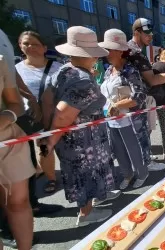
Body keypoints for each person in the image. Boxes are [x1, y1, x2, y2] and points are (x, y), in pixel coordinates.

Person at [41, 26, 119, 227]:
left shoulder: (65, 70)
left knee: (80, 174)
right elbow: (62, 115)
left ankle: (89, 206)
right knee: (84, 175)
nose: (96, 58)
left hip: (73, 140)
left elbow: (48, 100)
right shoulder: (82, 80)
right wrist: (47, 144)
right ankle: (86, 214)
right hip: (83, 143)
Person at [129, 18, 165, 167]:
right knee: (143, 134)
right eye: (146, 33)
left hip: (141, 100)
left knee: (142, 134)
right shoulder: (135, 52)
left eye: (151, 33)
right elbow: (153, 80)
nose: (150, 36)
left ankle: (143, 161)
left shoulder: (134, 50)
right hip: (137, 101)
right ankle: (145, 164)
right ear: (136, 32)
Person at [99, 29, 150, 190]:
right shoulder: (108, 70)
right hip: (111, 120)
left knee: (134, 149)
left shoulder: (130, 70)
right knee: (119, 150)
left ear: (120, 51)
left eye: (109, 49)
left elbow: (140, 95)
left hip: (128, 119)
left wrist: (118, 105)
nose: (106, 53)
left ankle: (142, 174)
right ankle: (127, 175)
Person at [0, 28, 35, 250]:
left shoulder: (1, 61)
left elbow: (15, 104)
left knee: (19, 201)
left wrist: (4, 119)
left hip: (7, 142)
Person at [15, 31, 62, 194]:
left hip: (53, 114)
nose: (30, 47)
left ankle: (50, 177)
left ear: (44, 47)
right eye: (25, 43)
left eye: (34, 44)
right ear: (20, 46)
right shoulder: (15, 69)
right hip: (28, 116)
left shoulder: (57, 67)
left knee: (46, 146)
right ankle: (44, 173)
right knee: (35, 148)